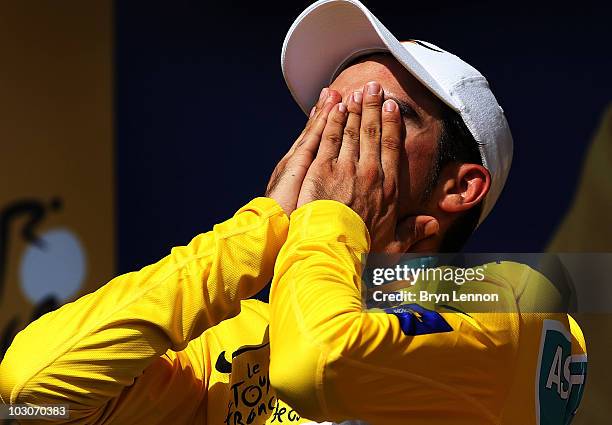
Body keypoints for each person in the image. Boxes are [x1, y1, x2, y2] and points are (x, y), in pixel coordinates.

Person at [0, 1, 587, 424]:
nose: (337, 133)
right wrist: (255, 232)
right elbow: (30, 394)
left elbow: (321, 361)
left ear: (460, 188)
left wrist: (332, 216)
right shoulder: (241, 342)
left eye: (380, 113)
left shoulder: (511, 309)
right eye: (329, 110)